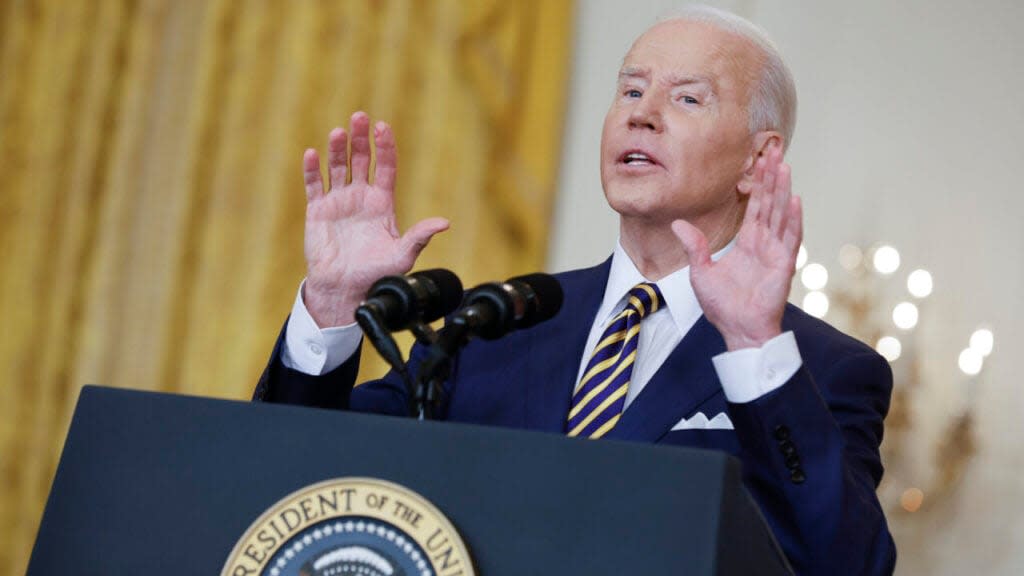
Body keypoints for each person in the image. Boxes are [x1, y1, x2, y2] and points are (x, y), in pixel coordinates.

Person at [253, 6, 896, 574]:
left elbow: (845, 562)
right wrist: (333, 305)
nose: (641, 115)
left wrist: (754, 347)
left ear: (759, 161)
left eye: (687, 99)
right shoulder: (495, 324)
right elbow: (297, 483)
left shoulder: (822, 368)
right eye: (631, 90)